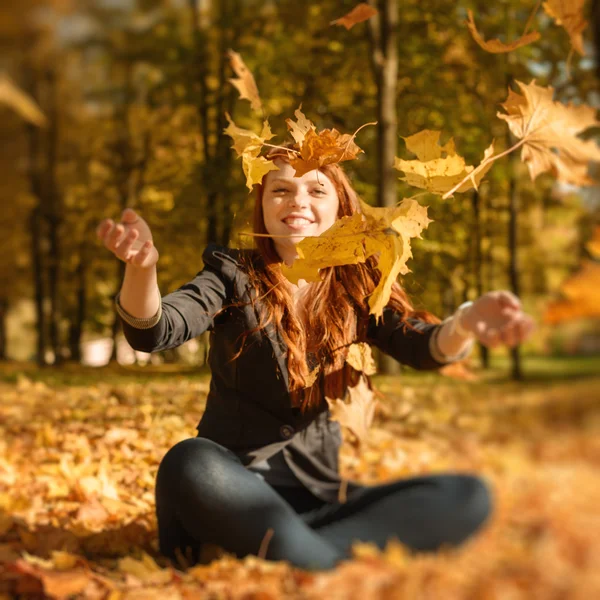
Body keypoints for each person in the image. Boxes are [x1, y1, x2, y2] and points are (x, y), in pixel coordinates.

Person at [96, 149, 534, 571]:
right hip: (232, 493)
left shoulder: (357, 284)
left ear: (341, 206)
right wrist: (142, 269)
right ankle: (315, 552)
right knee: (189, 462)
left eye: (316, 190)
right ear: (263, 205)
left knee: (467, 493)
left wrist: (468, 320)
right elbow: (155, 329)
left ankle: (309, 554)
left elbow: (422, 346)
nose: (297, 201)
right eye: (281, 190)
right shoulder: (232, 275)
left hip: (320, 503)